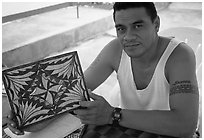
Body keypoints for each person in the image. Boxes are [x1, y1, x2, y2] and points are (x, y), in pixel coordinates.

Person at [6, 2, 199, 138]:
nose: (128, 37)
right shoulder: (116, 49)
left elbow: (185, 126)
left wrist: (112, 115)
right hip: (129, 131)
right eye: (121, 28)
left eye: (138, 26)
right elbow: (74, 92)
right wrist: (36, 117)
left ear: (156, 24)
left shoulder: (180, 55)